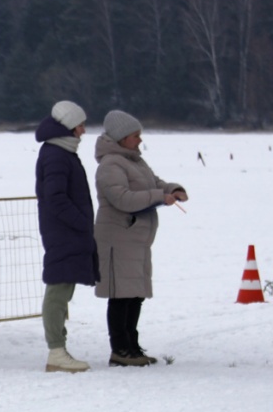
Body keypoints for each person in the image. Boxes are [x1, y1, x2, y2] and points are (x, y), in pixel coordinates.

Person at [93, 110, 188, 366]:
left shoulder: (135, 161)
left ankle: (132, 347)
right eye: (135, 136)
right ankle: (120, 350)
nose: (140, 140)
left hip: (136, 239)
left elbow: (154, 183)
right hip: (118, 239)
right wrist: (159, 197)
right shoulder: (111, 165)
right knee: (120, 295)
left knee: (135, 294)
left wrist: (173, 189)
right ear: (122, 137)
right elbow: (122, 198)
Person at [34, 100, 100, 373]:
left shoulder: (62, 151)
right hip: (63, 233)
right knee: (58, 291)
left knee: (63, 289)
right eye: (80, 125)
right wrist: (81, 222)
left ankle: (59, 349)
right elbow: (56, 197)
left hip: (67, 232)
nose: (84, 130)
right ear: (70, 126)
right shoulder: (56, 155)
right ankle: (56, 352)